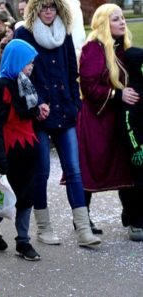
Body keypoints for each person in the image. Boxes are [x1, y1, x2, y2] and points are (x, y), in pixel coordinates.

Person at [14, 0, 101, 247]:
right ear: (35, 9)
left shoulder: (66, 31)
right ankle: (44, 227)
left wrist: (75, 103)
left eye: (52, 6)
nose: (48, 11)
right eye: (44, 7)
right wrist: (36, 103)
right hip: (38, 114)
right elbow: (20, 74)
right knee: (41, 171)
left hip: (65, 110)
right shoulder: (24, 33)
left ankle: (83, 229)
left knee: (74, 169)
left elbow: (73, 73)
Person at [76, 3, 142, 242]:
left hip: (120, 120)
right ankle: (82, 220)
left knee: (127, 167)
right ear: (104, 23)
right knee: (90, 168)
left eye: (123, 18)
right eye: (116, 19)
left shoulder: (124, 49)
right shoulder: (93, 49)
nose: (122, 22)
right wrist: (117, 94)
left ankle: (133, 217)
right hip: (97, 120)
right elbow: (89, 86)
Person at [0, 39, 44, 261]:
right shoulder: (4, 86)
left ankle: (23, 241)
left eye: (32, 63)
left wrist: (38, 110)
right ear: (16, 61)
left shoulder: (25, 82)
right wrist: (0, 158)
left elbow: (28, 111)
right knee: (6, 193)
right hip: (11, 149)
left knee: (27, 195)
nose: (31, 66)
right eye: (28, 62)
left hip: (28, 147)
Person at [122, 46, 143, 241]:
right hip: (137, 147)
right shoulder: (133, 94)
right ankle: (135, 220)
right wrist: (137, 147)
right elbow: (129, 122)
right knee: (137, 184)